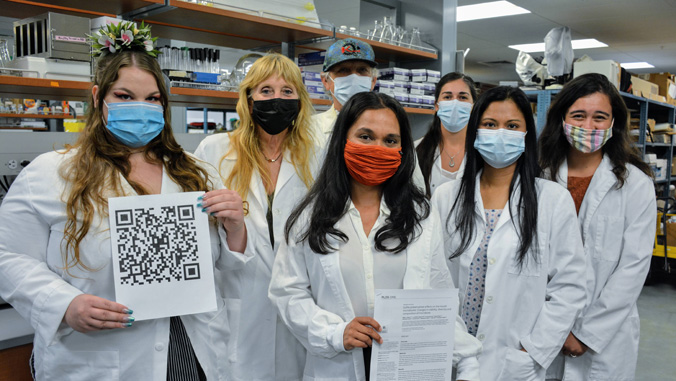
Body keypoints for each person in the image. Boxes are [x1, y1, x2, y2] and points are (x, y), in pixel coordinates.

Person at [0, 22, 249, 380]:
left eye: (152, 99)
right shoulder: (51, 173)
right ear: (99, 97)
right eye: (124, 96)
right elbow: (9, 256)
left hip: (194, 346)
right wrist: (64, 304)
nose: (141, 107)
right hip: (103, 355)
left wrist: (235, 225)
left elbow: (226, 262)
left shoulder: (196, 172)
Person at [269, 91, 482, 381]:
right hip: (336, 365)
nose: (377, 148)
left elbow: (436, 298)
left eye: (390, 141)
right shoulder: (308, 216)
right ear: (343, 139)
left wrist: (467, 361)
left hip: (407, 367)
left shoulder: (419, 216)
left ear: (402, 149)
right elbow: (287, 292)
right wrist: (334, 332)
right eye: (365, 137)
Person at [432, 86, 587, 380]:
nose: (500, 133)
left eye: (512, 126)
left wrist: (533, 351)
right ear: (475, 131)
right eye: (490, 125)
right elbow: (433, 278)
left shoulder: (552, 200)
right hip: (450, 351)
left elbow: (570, 286)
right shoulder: (446, 197)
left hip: (514, 359)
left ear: (527, 134)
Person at [194, 53, 319, 381]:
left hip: (303, 304)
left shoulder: (317, 157)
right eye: (265, 91)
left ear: (300, 101)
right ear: (249, 101)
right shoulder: (215, 151)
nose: (277, 99)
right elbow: (199, 231)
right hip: (240, 299)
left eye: (287, 91)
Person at [539, 73, 656, 381]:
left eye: (599, 117)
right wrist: (554, 326)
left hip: (605, 335)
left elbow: (633, 267)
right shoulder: (539, 176)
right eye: (578, 115)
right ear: (561, 118)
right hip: (540, 325)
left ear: (613, 123)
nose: (588, 126)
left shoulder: (635, 184)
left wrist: (586, 333)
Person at [415, 72, 478, 197]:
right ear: (436, 105)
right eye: (447, 97)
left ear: (473, 106)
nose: (455, 103)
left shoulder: (484, 151)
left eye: (463, 97)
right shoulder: (416, 150)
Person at [313, 37, 378, 145]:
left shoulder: (390, 126)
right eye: (343, 70)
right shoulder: (309, 129)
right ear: (325, 81)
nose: (354, 77)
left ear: (373, 81)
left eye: (362, 70)